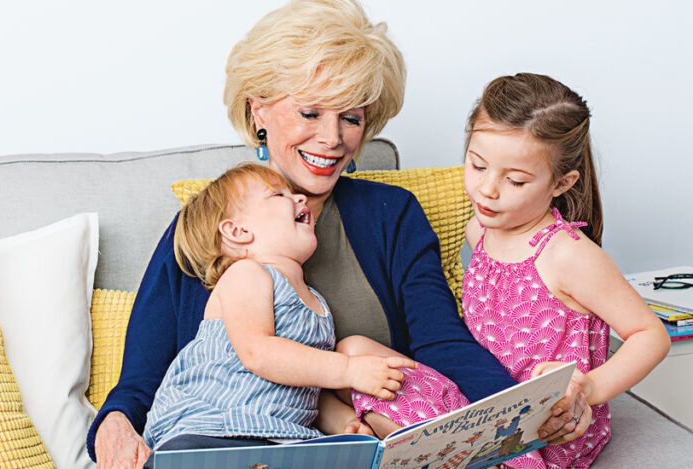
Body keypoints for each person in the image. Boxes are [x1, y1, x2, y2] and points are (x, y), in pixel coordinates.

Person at [88, 2, 581, 466]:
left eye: (351, 117)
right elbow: (141, 379)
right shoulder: (211, 225)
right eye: (310, 112)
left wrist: (529, 409)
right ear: (258, 111)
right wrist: (114, 427)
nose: (332, 138)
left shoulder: (391, 214)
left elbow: (441, 344)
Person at [461, 72, 671, 468]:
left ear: (562, 183)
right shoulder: (480, 231)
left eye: (516, 180)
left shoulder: (568, 255)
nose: (487, 189)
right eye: (477, 165)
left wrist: (589, 388)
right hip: (488, 399)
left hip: (551, 425)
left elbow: (651, 334)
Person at [142, 162, 425, 454]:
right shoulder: (247, 275)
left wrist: (343, 423)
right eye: (279, 196)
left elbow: (306, 385)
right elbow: (259, 352)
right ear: (237, 231)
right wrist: (349, 369)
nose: (300, 198)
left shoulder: (316, 303)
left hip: (279, 439)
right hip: (210, 428)